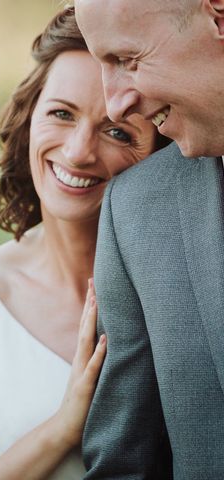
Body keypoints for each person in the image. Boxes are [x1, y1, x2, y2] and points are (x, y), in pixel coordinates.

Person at [0, 7, 163, 479]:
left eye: (117, 131)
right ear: (28, 119)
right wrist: (60, 429)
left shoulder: (185, 284)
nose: (79, 151)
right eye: (61, 113)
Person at [74, 0, 224, 477]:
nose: (117, 103)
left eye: (127, 60)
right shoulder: (135, 209)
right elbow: (125, 464)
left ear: (218, 17)